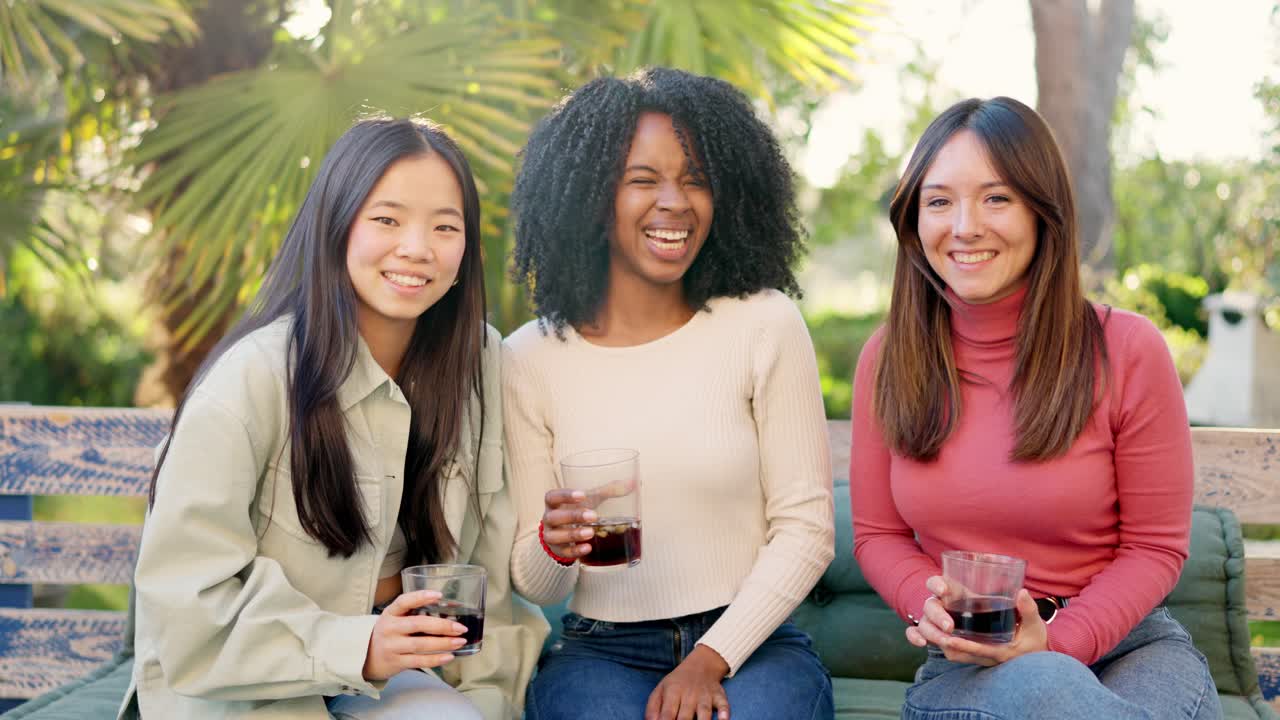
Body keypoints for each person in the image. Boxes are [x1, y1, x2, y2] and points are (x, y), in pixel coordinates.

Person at [121, 118, 548, 720]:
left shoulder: (477, 363)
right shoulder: (252, 380)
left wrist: (481, 700)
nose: (417, 247)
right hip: (244, 685)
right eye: (387, 219)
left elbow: (487, 579)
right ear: (336, 225)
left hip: (401, 670)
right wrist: (359, 646)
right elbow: (184, 611)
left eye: (445, 226)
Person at [850, 96, 1220, 720]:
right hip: (970, 661)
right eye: (939, 201)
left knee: (1060, 685)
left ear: (1042, 212)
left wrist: (1058, 641)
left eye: (996, 198)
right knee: (1046, 688)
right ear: (914, 220)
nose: (964, 225)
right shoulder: (889, 358)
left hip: (1133, 647)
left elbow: (1155, 547)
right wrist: (928, 602)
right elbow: (878, 534)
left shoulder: (1126, 350)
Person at [502, 67, 836, 720]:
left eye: (696, 179)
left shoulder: (763, 324)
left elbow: (806, 531)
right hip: (602, 651)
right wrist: (553, 542)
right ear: (591, 199)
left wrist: (710, 658)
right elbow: (535, 580)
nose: (675, 202)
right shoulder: (527, 358)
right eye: (642, 180)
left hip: (752, 644)